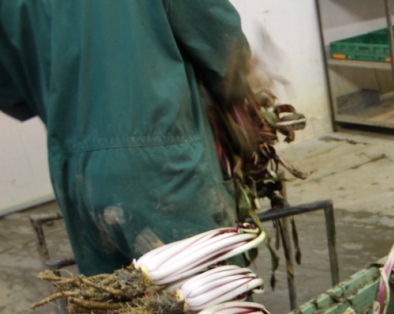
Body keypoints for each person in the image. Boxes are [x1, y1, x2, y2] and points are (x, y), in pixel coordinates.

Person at [0, 0, 251, 276]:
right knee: (205, 308)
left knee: (116, 311)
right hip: (164, 165)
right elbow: (219, 39)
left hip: (77, 177)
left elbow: (12, 94)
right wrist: (237, 102)